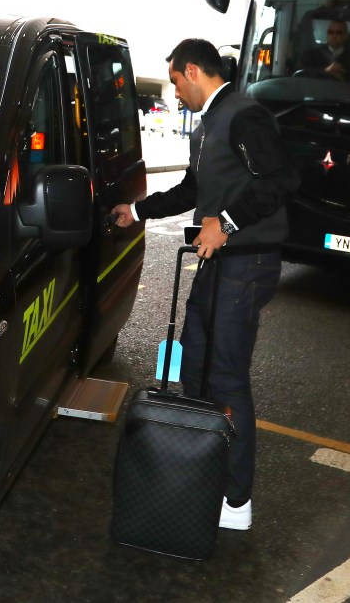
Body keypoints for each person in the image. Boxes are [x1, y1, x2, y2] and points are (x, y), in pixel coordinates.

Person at [112, 38, 300, 531]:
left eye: (174, 80)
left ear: (192, 71)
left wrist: (229, 222)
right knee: (194, 365)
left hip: (246, 262)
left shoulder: (243, 114)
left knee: (225, 377)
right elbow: (195, 188)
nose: (174, 93)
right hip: (219, 262)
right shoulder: (211, 122)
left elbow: (280, 180)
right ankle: (199, 473)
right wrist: (138, 211)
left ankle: (236, 503)